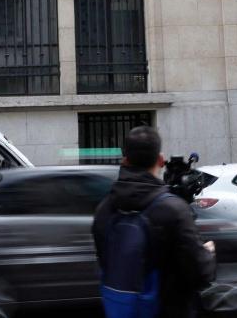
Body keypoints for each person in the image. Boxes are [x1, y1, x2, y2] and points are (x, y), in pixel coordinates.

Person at [92, 126, 217, 318]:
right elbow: (200, 272)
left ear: (124, 160)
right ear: (160, 160)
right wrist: (207, 253)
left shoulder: (104, 209)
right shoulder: (173, 210)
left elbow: (104, 261)